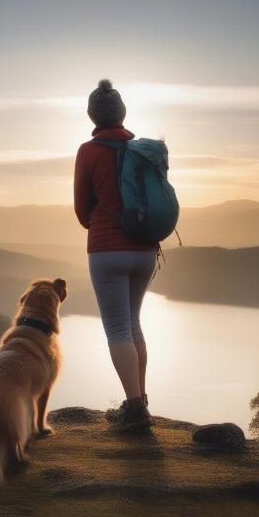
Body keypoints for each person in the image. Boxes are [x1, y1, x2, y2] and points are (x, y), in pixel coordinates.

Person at [74, 78, 158, 432]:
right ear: (122, 113)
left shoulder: (89, 151)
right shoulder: (143, 150)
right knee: (134, 324)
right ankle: (141, 402)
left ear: (92, 115)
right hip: (145, 250)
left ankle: (135, 409)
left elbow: (82, 211)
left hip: (107, 250)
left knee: (118, 330)